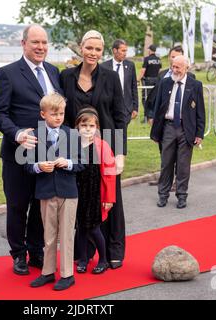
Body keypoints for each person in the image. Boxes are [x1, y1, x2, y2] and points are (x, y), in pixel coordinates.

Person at [0, 24, 62, 276]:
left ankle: (36, 250)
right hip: (18, 153)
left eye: (44, 43)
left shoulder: (54, 72)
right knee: (18, 206)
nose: (41, 47)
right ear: (23, 44)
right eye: (35, 43)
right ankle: (18, 254)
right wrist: (17, 134)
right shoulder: (7, 73)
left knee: (40, 204)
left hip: (47, 154)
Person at [60, 30, 127, 269]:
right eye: (89, 48)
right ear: (81, 47)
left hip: (105, 147)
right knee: (81, 200)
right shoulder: (66, 76)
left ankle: (113, 250)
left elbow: (120, 116)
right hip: (75, 148)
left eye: (98, 49)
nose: (93, 53)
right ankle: (83, 253)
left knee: (109, 198)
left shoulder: (110, 77)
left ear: (102, 52)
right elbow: (61, 114)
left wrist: (120, 152)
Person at [26, 93, 85, 291]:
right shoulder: (35, 136)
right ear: (43, 114)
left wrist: (67, 163)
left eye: (61, 113)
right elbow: (27, 165)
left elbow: (81, 163)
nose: (58, 117)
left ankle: (67, 275)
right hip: (45, 192)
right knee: (49, 235)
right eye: (54, 114)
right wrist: (39, 166)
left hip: (68, 193)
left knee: (67, 234)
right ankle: (47, 272)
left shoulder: (72, 134)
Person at [150, 55, 205, 209]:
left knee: (183, 165)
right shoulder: (165, 83)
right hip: (168, 127)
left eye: (178, 67)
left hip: (186, 129)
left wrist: (199, 134)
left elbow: (200, 111)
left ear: (186, 68)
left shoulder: (195, 85)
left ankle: (182, 196)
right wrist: (155, 131)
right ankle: (163, 195)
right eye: (173, 66)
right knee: (166, 163)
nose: (174, 70)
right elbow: (158, 108)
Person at [74, 107, 116, 275]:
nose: (88, 129)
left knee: (94, 229)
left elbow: (110, 174)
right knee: (81, 228)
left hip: (96, 194)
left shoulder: (102, 146)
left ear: (97, 127)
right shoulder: (74, 144)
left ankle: (103, 259)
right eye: (84, 125)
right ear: (78, 126)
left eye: (91, 126)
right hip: (78, 193)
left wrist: (109, 198)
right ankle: (83, 259)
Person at [145, 46, 195, 124]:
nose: (175, 60)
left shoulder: (190, 77)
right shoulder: (162, 75)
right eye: (173, 57)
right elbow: (154, 96)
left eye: (178, 57)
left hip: (183, 120)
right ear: (169, 57)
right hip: (163, 119)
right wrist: (150, 115)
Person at [101, 39, 139, 125]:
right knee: (108, 135)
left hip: (125, 110)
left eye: (126, 51)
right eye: (123, 50)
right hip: (108, 109)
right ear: (115, 50)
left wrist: (135, 108)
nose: (125, 53)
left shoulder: (130, 65)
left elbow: (134, 87)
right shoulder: (103, 67)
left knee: (121, 136)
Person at [137, 44, 161, 123]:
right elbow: (159, 71)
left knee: (145, 99)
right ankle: (153, 116)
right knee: (154, 99)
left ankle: (146, 117)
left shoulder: (147, 59)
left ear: (150, 50)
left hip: (148, 81)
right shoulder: (158, 59)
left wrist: (137, 80)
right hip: (157, 80)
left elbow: (143, 70)